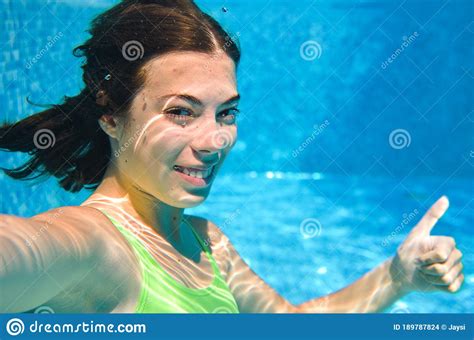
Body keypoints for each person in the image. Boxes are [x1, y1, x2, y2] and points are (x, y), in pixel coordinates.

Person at [0, 0, 464, 313]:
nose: (214, 140)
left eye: (226, 113)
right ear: (110, 116)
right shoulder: (95, 244)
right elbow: (26, 248)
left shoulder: (207, 243)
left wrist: (397, 276)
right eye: (181, 112)